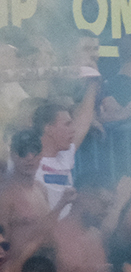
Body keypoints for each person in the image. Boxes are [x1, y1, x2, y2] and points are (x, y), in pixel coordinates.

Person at [34, 81, 101, 209]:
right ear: (48, 128)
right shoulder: (26, 161)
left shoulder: (65, 154)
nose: (73, 129)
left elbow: (83, 122)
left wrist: (93, 83)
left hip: (63, 227)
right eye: (67, 124)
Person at [0, 130, 51, 247]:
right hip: (17, 262)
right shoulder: (6, 195)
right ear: (12, 155)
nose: (29, 157)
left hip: (42, 261)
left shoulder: (41, 189)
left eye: (34, 152)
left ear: (41, 155)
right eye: (22, 152)